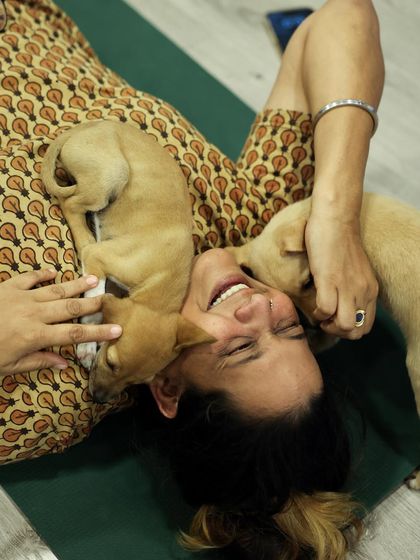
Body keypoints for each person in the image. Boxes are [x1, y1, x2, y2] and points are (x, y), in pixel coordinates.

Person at [0, 0, 384, 556]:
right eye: (291, 330)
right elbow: (342, 20)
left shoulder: (53, 386)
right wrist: (337, 212)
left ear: (169, 388)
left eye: (243, 349)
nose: (262, 309)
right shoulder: (254, 235)